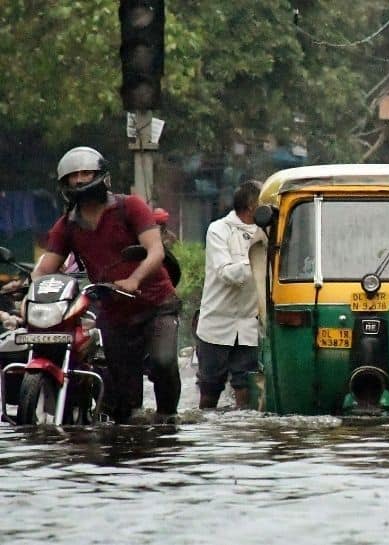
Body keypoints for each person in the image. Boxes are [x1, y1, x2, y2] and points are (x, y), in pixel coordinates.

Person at [33, 146, 181, 423]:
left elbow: (156, 251)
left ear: (101, 176)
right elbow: (46, 267)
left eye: (86, 173)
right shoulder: (67, 226)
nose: (79, 180)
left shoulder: (130, 206)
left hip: (157, 305)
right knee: (125, 404)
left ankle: (168, 420)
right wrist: (31, 290)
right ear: (65, 184)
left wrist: (134, 279)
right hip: (114, 315)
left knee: (163, 363)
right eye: (73, 176)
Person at [195, 180, 266, 409]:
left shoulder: (266, 232)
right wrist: (256, 260)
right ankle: (209, 434)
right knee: (210, 388)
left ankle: (243, 435)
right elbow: (227, 274)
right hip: (217, 323)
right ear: (252, 206)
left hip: (248, 323)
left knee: (246, 385)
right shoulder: (218, 230)